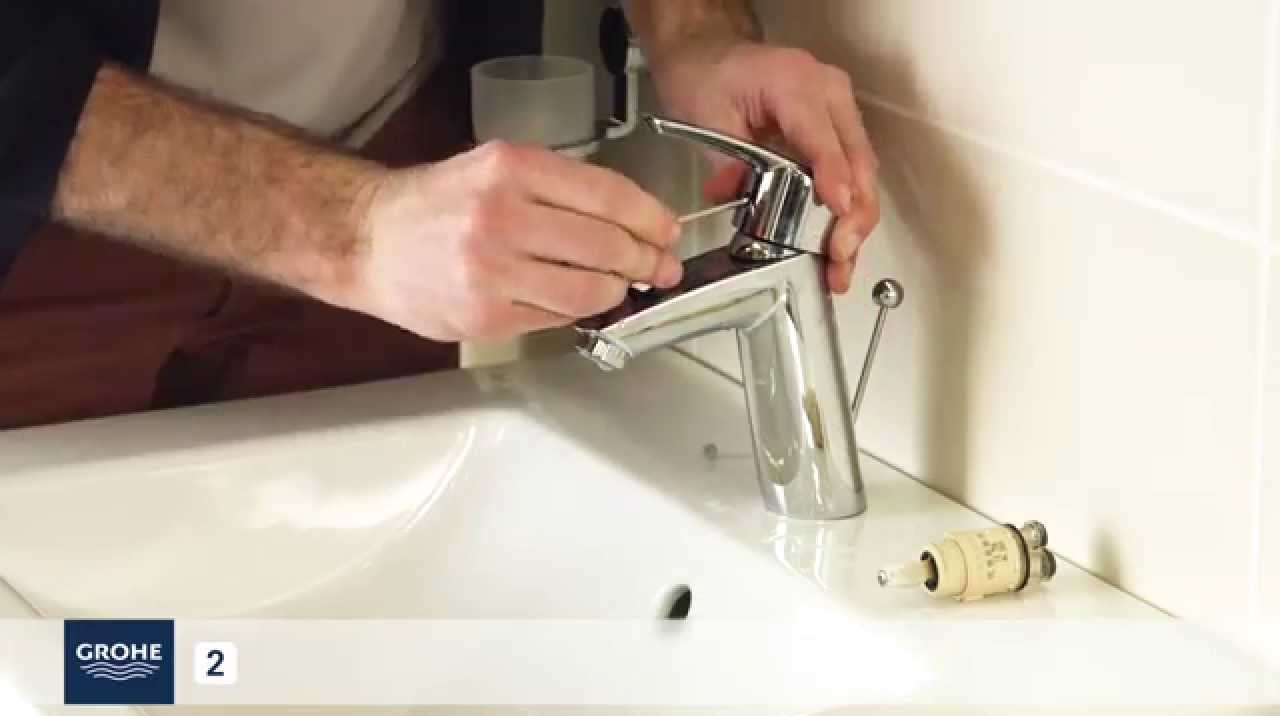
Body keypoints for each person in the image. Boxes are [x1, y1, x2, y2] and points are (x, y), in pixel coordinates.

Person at [0, 0, 879, 429]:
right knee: (79, 668)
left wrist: (694, 32)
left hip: (389, 172)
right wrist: (349, 231)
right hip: (49, 212)